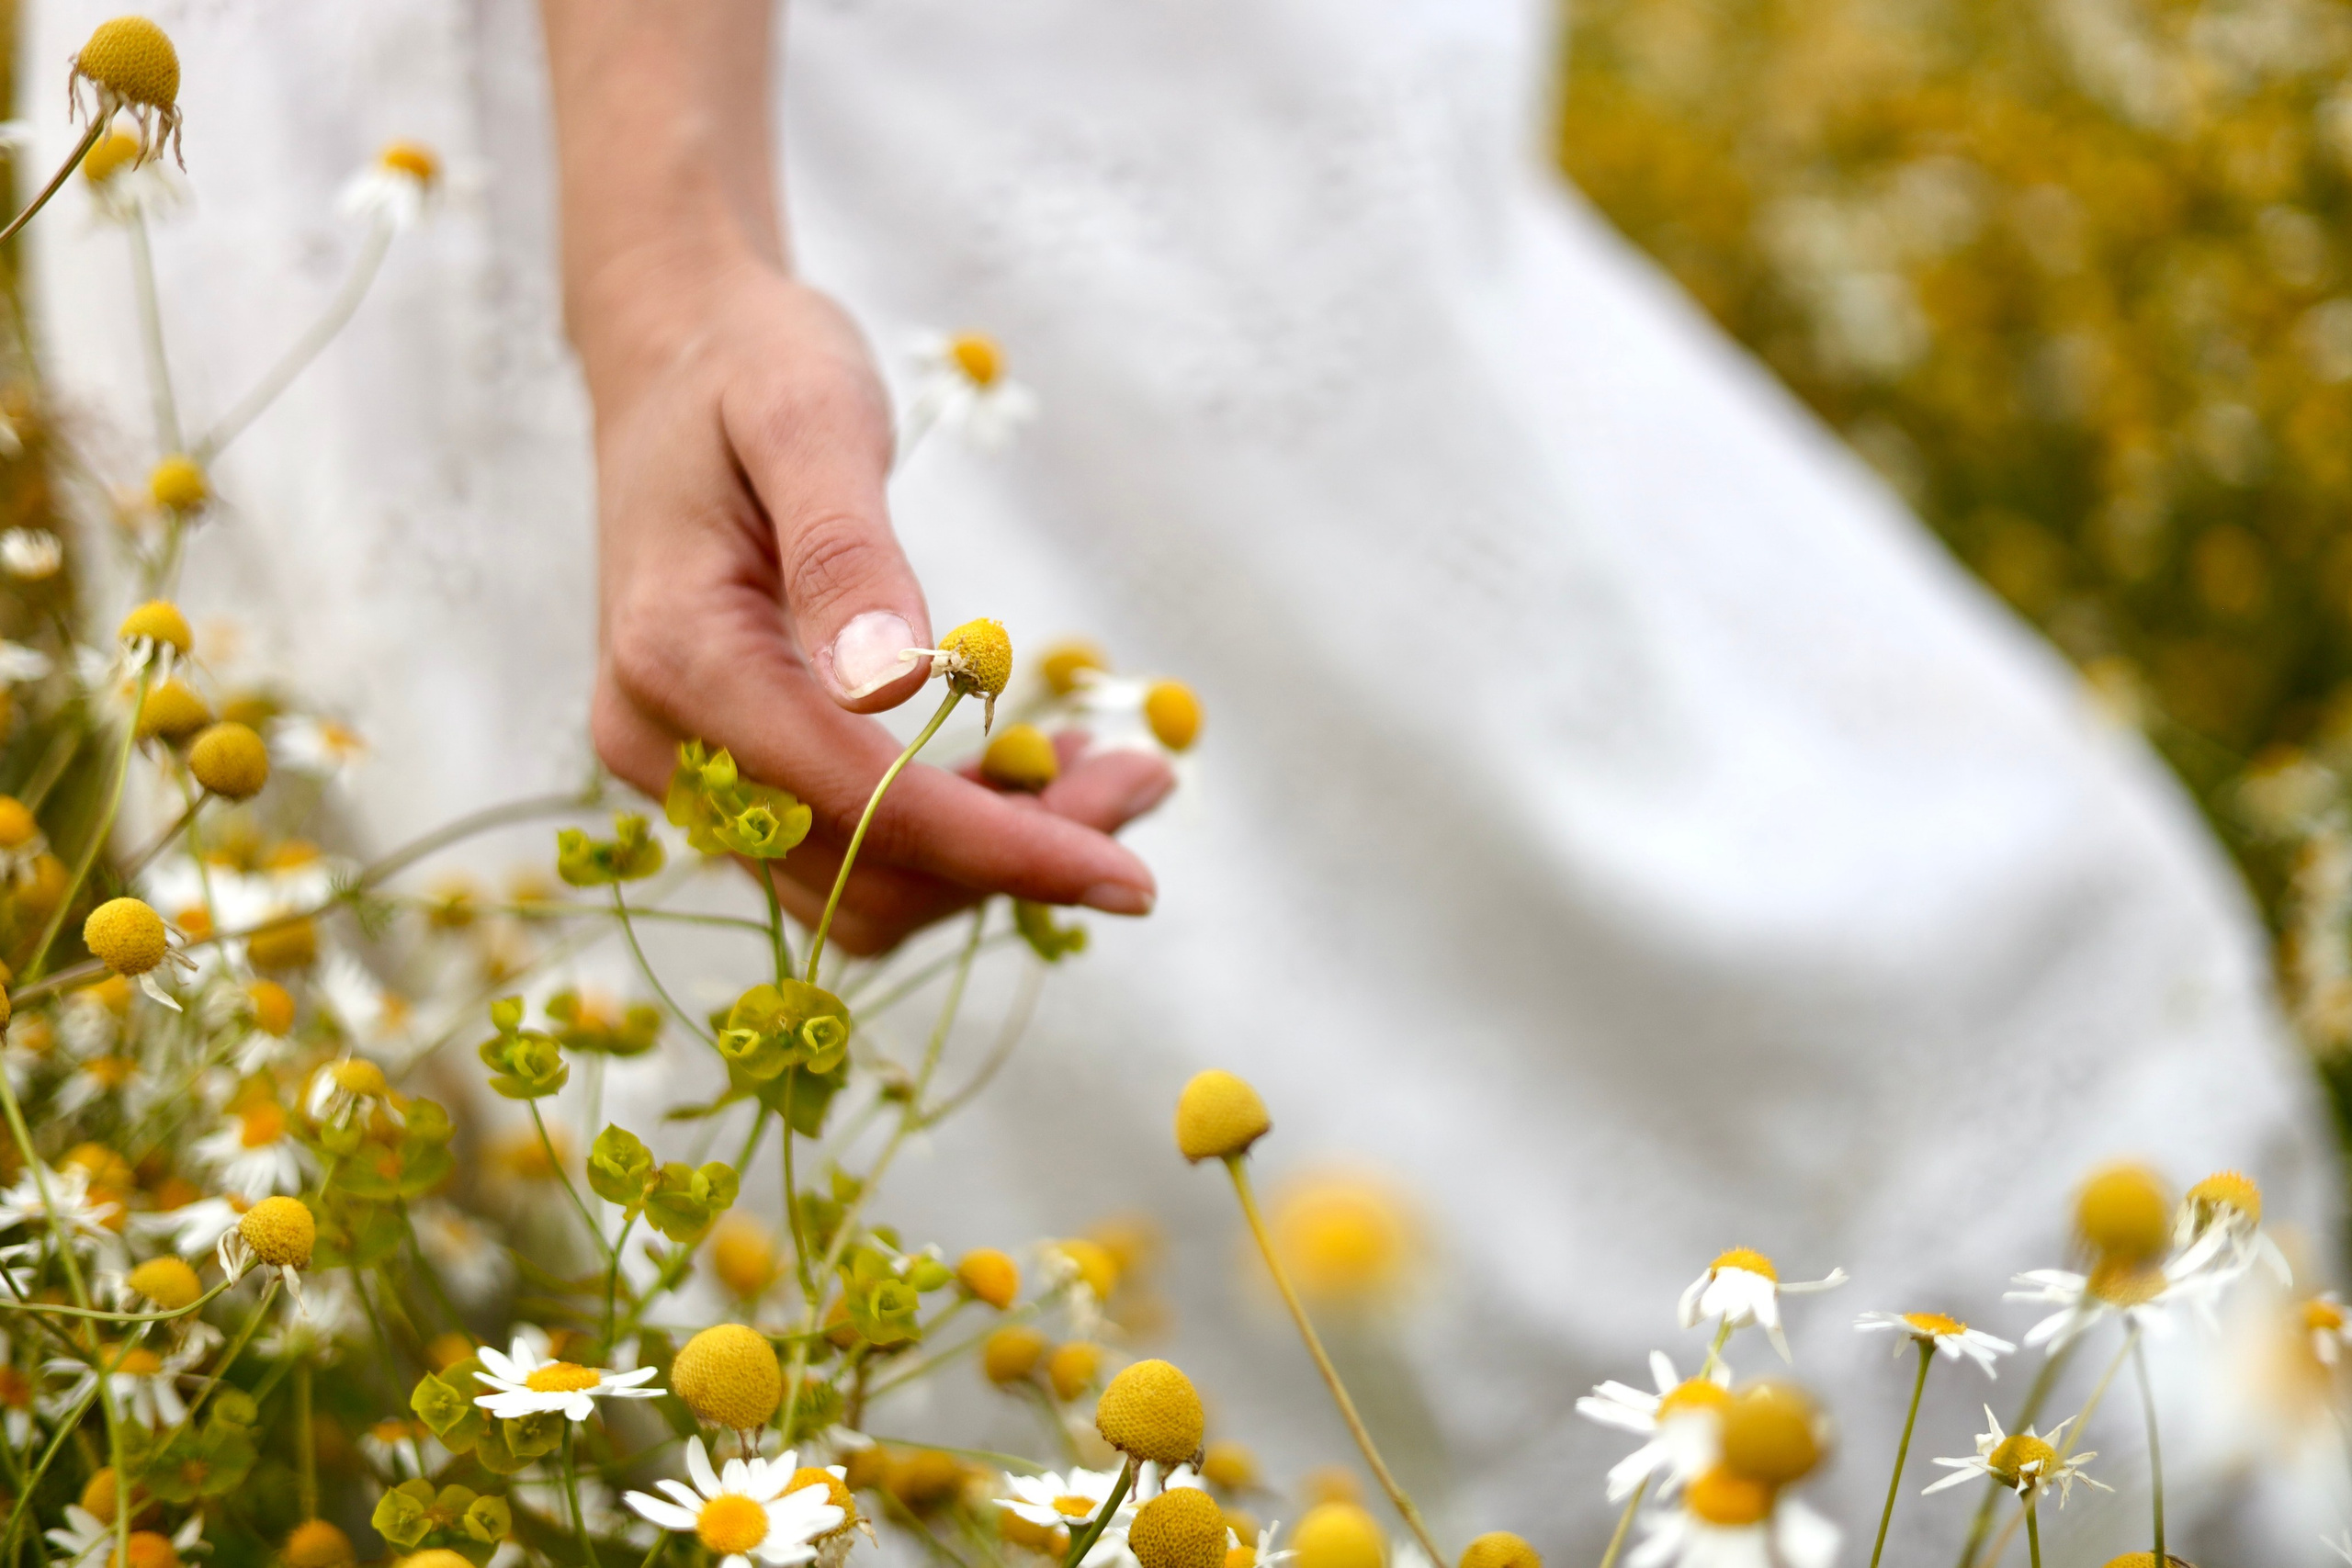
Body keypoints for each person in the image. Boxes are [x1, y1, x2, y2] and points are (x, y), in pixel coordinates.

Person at [25, 0, 2340, 1555]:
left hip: (738, 123)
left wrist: (665, 284)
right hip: (468, 136)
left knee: (1583, 907)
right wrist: (661, 290)